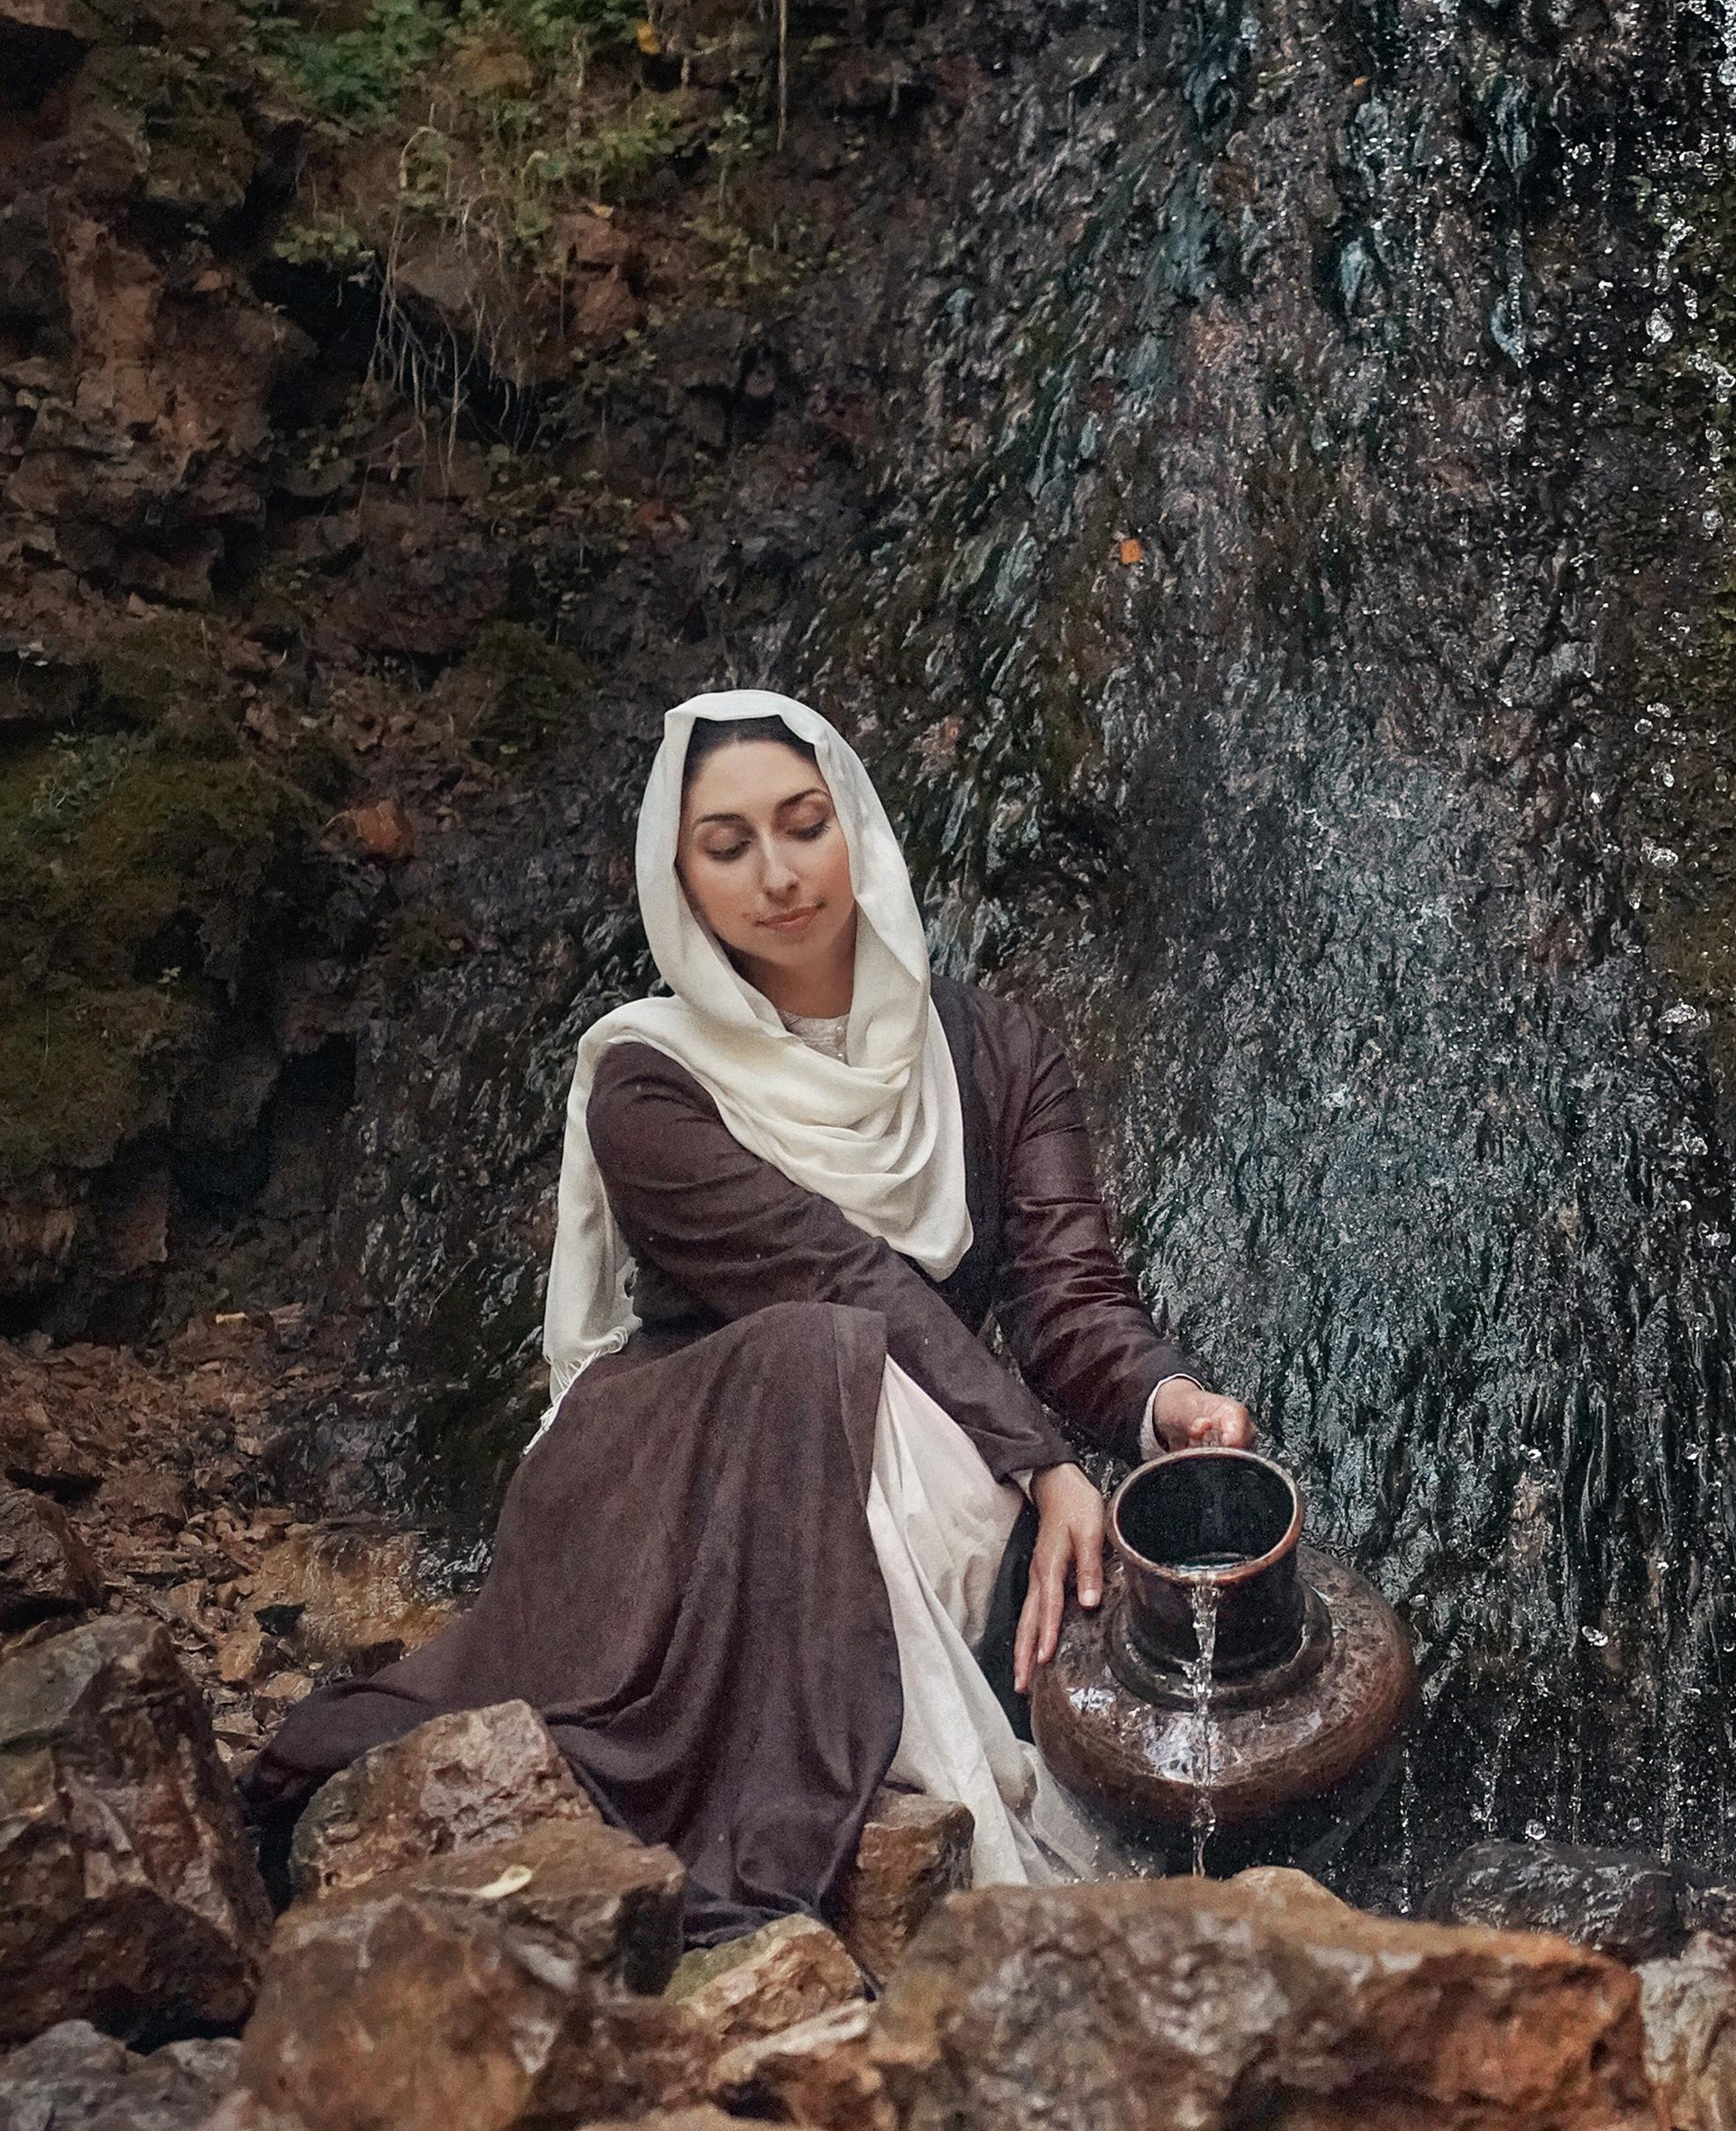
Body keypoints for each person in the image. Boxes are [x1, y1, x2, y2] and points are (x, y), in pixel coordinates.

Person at [246, 688, 1255, 1941]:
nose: (777, 874)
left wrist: (1171, 1405)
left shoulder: (994, 1050)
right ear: (678, 877)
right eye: (727, 846)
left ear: (860, 831)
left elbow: (1069, 1300)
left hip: (929, 1452)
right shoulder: (645, 1082)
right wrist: (1045, 1464)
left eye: (803, 825)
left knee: (870, 1384)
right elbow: (839, 1278)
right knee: (823, 1350)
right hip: (680, 1473)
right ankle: (922, 1868)